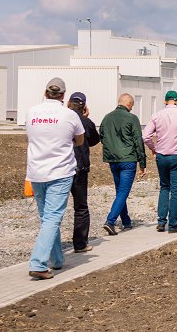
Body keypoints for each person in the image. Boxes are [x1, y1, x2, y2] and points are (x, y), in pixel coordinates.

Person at [25, 78, 85, 280]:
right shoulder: (69, 115)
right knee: (52, 217)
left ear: (45, 92)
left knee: (47, 217)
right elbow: (80, 140)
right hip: (60, 171)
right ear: (63, 95)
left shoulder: (32, 112)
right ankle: (38, 263)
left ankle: (57, 259)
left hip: (36, 172)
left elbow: (31, 136)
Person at [143, 90, 177, 233]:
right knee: (175, 190)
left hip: (162, 155)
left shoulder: (156, 115)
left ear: (165, 101)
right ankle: (173, 224)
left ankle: (161, 222)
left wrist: (153, 148)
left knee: (164, 187)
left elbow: (146, 136)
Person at [100, 93, 147, 236]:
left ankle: (126, 221)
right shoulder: (132, 118)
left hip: (113, 160)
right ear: (128, 104)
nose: (132, 108)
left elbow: (102, 135)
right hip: (128, 160)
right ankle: (110, 221)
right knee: (123, 192)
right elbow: (138, 141)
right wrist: (142, 163)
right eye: (132, 105)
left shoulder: (107, 117)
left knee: (120, 191)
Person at [67, 92, 100, 253]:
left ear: (68, 103)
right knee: (80, 207)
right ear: (84, 106)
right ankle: (80, 244)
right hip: (80, 168)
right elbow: (94, 140)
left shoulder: (63, 118)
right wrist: (86, 118)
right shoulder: (85, 122)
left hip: (62, 168)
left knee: (55, 209)